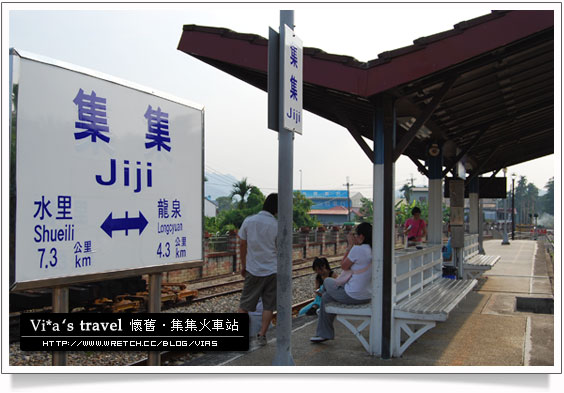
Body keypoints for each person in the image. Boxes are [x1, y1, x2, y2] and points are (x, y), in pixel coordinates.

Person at [310, 222, 372, 343]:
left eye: (356, 234)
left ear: (362, 237)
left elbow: (343, 266)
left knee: (327, 281)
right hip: (367, 295)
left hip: (353, 295)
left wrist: (350, 246)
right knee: (327, 298)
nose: (354, 237)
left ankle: (320, 291)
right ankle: (323, 334)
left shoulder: (358, 249)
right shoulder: (373, 249)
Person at [237, 193, 278, 346]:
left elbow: (242, 244)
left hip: (253, 270)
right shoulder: (276, 225)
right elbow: (280, 249)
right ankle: (262, 334)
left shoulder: (249, 221)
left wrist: (243, 265)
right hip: (272, 271)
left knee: (244, 305)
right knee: (268, 305)